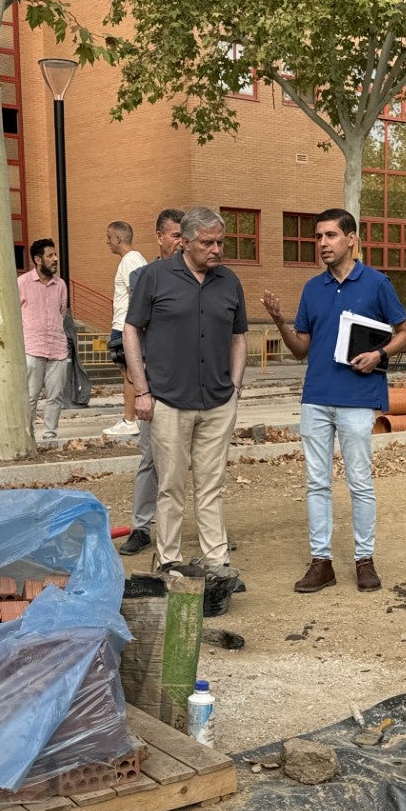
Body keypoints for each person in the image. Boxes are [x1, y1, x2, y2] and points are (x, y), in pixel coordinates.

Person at [262, 207, 406, 593]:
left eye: (330, 235)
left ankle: (364, 560)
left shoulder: (377, 283)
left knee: (359, 482)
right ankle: (321, 562)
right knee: (317, 483)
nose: (322, 243)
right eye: (318, 237)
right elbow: (300, 349)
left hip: (358, 398)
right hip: (316, 398)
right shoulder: (313, 289)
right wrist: (279, 322)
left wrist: (379, 354)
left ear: (351, 239)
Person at [124, 205, 246, 578]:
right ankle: (169, 562)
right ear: (186, 242)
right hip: (168, 401)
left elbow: (239, 337)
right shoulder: (154, 277)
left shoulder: (229, 281)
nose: (216, 250)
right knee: (171, 487)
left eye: (220, 242)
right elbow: (131, 330)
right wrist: (141, 391)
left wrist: (235, 387)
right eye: (208, 243)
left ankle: (216, 562)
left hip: (218, 401)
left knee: (211, 486)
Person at [114, 209, 182, 558]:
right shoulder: (143, 277)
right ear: (159, 237)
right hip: (155, 384)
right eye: (175, 235)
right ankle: (141, 526)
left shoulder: (201, 278)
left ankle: (205, 532)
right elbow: (133, 329)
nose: (181, 242)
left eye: (185, 236)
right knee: (150, 458)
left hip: (194, 386)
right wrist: (138, 377)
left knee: (197, 462)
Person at [18, 237, 69, 442]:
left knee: (55, 396)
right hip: (32, 347)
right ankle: (27, 437)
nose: (55, 259)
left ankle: (50, 435)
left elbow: (61, 312)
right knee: (30, 396)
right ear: (38, 260)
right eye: (50, 256)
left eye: (55, 254)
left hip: (57, 348)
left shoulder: (61, 285)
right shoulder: (22, 283)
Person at [103, 221, 148, 438]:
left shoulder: (130, 261)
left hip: (125, 327)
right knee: (131, 373)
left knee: (131, 374)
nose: (107, 242)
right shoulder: (135, 259)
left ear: (118, 239)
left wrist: (133, 327)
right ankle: (132, 418)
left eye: (109, 237)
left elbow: (137, 293)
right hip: (127, 326)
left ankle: (130, 420)